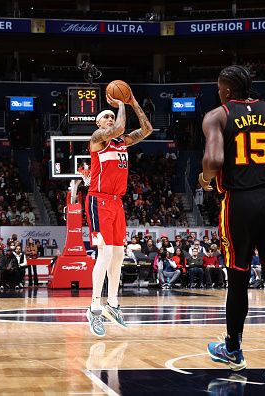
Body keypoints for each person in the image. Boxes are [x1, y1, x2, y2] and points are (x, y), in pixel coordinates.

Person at [199, 65, 265, 379]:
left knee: (238, 279)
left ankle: (233, 349)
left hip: (240, 203)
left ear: (227, 91)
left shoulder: (218, 115)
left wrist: (205, 179)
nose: (218, 93)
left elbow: (214, 161)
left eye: (219, 88)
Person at [85, 88, 153, 337]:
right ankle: (93, 308)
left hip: (116, 203)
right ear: (98, 123)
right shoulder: (97, 139)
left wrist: (133, 101)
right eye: (106, 117)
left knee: (117, 256)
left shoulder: (121, 142)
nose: (110, 119)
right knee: (102, 254)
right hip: (98, 201)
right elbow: (117, 129)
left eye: (111, 116)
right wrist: (121, 105)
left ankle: (112, 304)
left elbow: (147, 130)